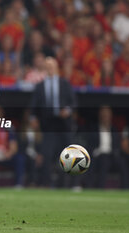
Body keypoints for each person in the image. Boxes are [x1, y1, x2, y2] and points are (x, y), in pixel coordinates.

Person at [30, 56, 76, 187]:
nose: (50, 68)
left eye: (52, 66)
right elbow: (34, 106)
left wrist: (67, 111)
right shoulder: (39, 86)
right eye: (47, 66)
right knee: (47, 154)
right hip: (48, 124)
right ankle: (47, 183)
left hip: (63, 123)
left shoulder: (65, 83)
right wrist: (33, 118)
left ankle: (67, 184)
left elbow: (73, 103)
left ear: (56, 68)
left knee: (66, 155)